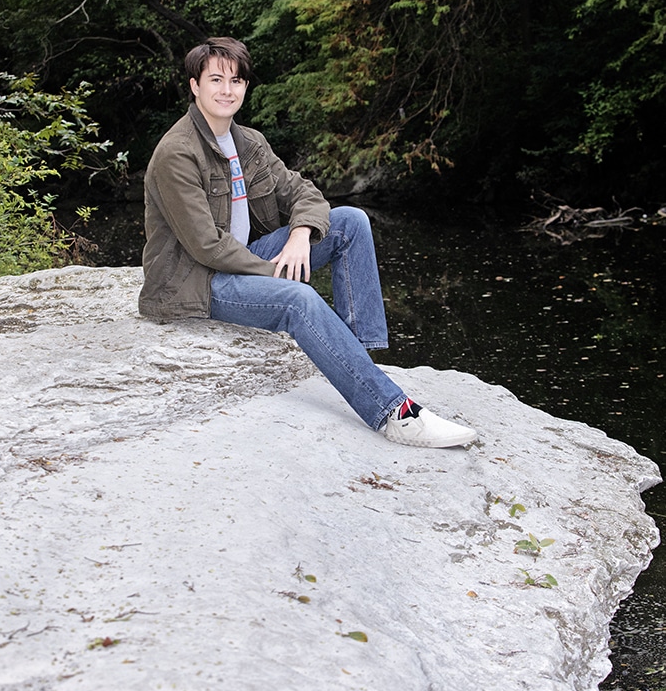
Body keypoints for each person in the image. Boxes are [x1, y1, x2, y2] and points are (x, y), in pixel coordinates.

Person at [138, 36, 476, 449]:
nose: (228, 90)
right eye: (216, 80)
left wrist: (301, 234)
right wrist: (279, 275)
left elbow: (305, 193)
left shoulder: (249, 143)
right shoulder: (177, 152)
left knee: (350, 222)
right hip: (195, 282)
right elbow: (206, 245)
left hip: (240, 260)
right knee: (298, 300)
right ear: (195, 85)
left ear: (245, 87)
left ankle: (358, 361)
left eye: (237, 81)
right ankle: (394, 415)